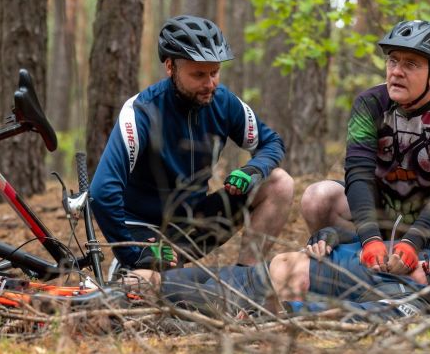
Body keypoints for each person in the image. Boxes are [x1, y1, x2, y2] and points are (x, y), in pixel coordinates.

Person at [90, 15, 294, 271]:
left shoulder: (224, 102)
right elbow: (101, 193)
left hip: (193, 222)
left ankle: (245, 280)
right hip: (144, 231)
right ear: (170, 67)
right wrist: (133, 253)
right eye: (198, 74)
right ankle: (130, 271)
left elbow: (271, 142)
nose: (209, 84)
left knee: (279, 183)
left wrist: (254, 169)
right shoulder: (140, 112)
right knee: (156, 293)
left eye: (215, 72)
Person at [300, 20, 430, 275]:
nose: (396, 71)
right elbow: (358, 174)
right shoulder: (369, 103)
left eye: (410, 64)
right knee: (317, 197)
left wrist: (412, 242)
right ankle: (333, 264)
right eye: (393, 61)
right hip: (379, 209)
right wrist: (370, 238)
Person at [129, 237, 430, 321]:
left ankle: (91, 301)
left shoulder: (405, 299)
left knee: (150, 290)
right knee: (150, 279)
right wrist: (323, 237)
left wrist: (283, 311)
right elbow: (348, 237)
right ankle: (97, 294)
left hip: (252, 296)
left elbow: (349, 313)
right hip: (250, 272)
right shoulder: (412, 249)